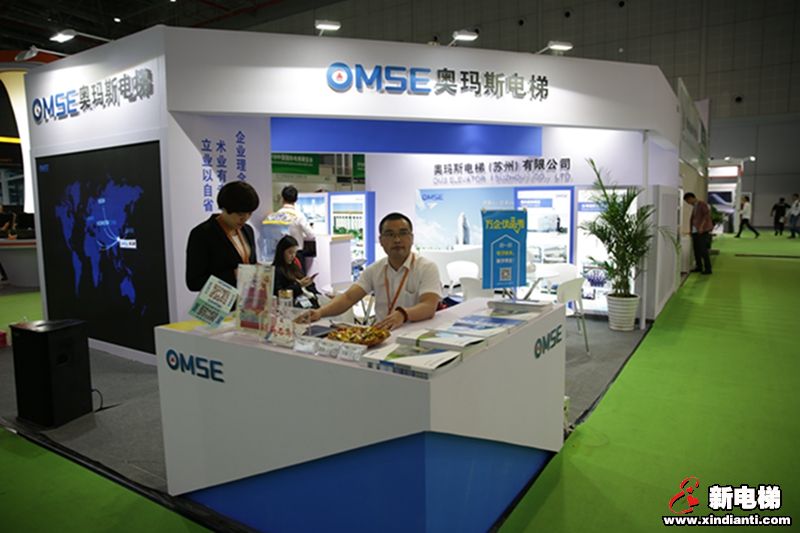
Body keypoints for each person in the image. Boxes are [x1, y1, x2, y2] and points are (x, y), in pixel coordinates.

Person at [295, 212, 442, 330]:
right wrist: (320, 312)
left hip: (414, 336)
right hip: (382, 336)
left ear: (411, 238)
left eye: (403, 233)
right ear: (381, 240)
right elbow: (348, 298)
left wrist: (403, 314)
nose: (397, 240)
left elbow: (429, 306)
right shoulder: (375, 270)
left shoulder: (427, 268)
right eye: (390, 234)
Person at [186, 181, 260, 291]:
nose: (245, 218)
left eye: (249, 213)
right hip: (221, 300)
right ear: (224, 209)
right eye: (240, 214)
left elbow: (250, 262)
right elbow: (194, 282)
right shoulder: (202, 234)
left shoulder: (247, 230)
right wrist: (233, 275)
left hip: (248, 298)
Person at [272, 235, 320, 308]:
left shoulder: (294, 266)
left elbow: (304, 280)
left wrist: (309, 283)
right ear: (281, 252)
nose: (293, 256)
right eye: (290, 252)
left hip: (307, 299)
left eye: (295, 252)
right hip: (292, 304)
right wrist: (299, 285)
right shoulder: (276, 271)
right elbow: (280, 293)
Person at [270, 185, 315, 262]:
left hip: (280, 254)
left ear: (282, 198)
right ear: (296, 199)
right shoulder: (299, 215)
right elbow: (311, 235)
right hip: (296, 254)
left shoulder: (276, 215)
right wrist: (301, 236)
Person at [683, 193, 713, 275]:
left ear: (691, 198)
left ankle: (708, 269)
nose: (688, 203)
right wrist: (691, 230)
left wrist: (701, 227)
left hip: (702, 231)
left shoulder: (702, 204)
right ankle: (699, 266)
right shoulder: (695, 206)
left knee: (703, 250)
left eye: (687, 201)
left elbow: (706, 215)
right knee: (696, 250)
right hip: (695, 231)